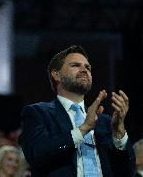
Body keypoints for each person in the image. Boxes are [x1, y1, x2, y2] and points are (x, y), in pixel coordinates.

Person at [18, 45, 135, 177]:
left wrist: (119, 134)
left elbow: (127, 173)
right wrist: (83, 129)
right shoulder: (38, 113)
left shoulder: (106, 122)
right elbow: (36, 154)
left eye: (88, 67)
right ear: (57, 75)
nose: (84, 70)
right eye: (75, 65)